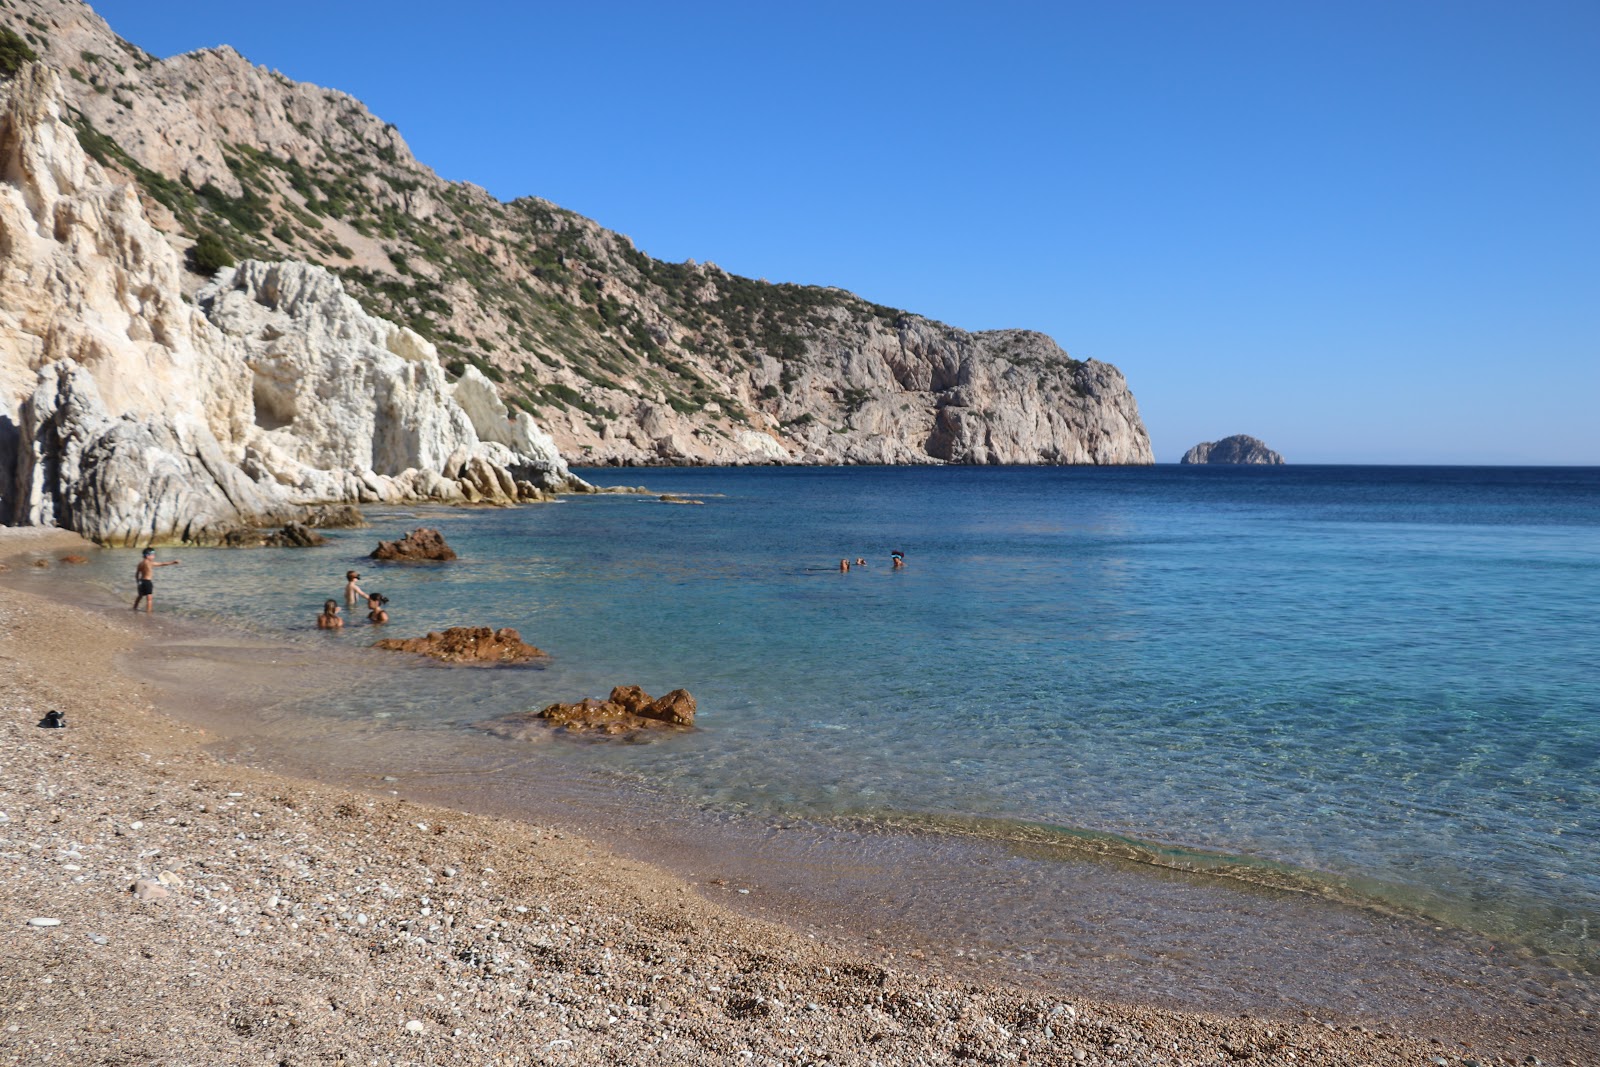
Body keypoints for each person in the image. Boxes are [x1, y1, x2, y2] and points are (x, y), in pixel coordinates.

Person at [132, 547, 179, 613]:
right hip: (147, 582)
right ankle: (148, 611)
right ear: (147, 556)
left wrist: (137, 581)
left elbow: (137, 573)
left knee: (140, 596)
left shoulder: (140, 563)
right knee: (149, 598)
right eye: (153, 555)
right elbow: (162, 564)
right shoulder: (149, 563)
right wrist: (173, 562)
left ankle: (134, 607)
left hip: (141, 581)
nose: (154, 557)